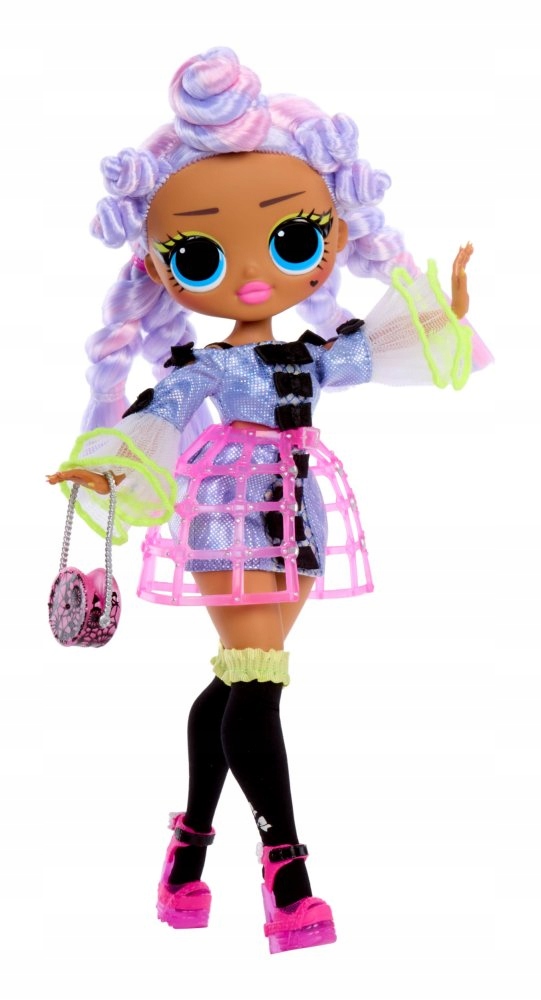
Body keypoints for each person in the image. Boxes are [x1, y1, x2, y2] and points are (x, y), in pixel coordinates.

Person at [47, 46, 492, 954]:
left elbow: (390, 350)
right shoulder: (203, 365)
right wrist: (105, 466)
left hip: (302, 519)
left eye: (291, 240)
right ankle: (287, 874)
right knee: (256, 685)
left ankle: (186, 854)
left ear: (330, 238)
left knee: (236, 679)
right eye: (201, 253)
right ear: (157, 263)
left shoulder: (310, 357)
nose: (252, 274)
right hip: (228, 517)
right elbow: (156, 415)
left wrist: (441, 308)